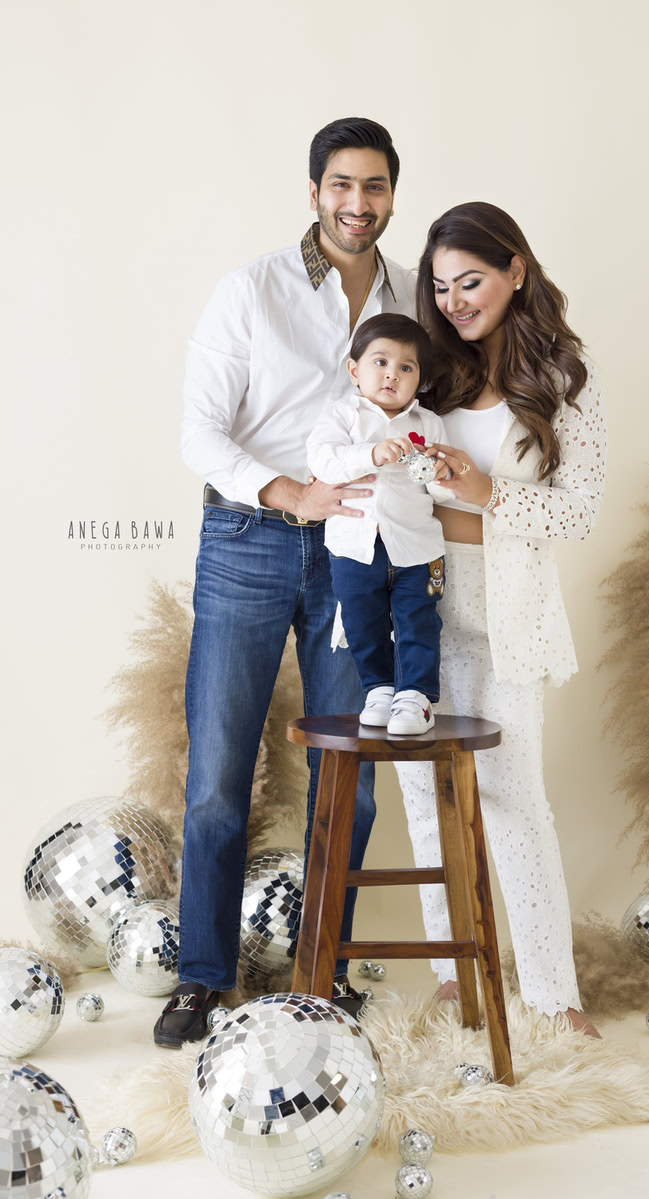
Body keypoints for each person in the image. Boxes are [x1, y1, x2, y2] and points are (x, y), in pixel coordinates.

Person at [153, 117, 416, 1047]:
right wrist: (287, 489)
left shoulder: (407, 295)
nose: (358, 204)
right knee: (221, 770)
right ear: (314, 192)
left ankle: (325, 971)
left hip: (360, 556)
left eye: (375, 187)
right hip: (248, 541)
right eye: (342, 185)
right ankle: (200, 976)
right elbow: (199, 431)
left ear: (392, 195)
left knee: (349, 770)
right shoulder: (251, 289)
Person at [395, 202, 607, 1038]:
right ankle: (454, 978)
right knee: (426, 797)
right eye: (440, 286)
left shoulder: (564, 377)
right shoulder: (429, 372)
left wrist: (488, 495)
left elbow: (580, 511)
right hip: (423, 603)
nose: (453, 300)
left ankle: (555, 997)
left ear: (516, 268)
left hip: (508, 610)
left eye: (470, 281)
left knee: (517, 800)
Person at [307, 313, 450, 734]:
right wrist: (370, 454)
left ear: (420, 380)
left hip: (416, 547)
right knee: (361, 619)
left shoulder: (428, 424)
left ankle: (415, 697)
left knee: (418, 619)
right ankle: (380, 688)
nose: (392, 375)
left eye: (406, 367)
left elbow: (439, 494)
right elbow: (322, 460)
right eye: (380, 362)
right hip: (354, 546)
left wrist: (441, 477)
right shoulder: (342, 415)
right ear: (354, 371)